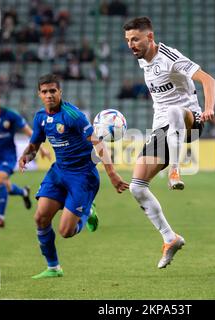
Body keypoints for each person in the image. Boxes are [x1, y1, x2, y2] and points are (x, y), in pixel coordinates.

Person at [123, 17, 215, 268]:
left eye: (135, 39)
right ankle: (170, 238)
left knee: (175, 110)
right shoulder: (143, 59)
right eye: (128, 40)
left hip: (190, 120)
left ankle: (175, 169)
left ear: (150, 37)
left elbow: (208, 80)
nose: (131, 44)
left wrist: (208, 109)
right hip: (162, 130)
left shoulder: (169, 56)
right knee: (137, 187)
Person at [18, 74, 129, 279]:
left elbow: (98, 143)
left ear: (60, 92)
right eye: (45, 91)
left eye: (53, 91)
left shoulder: (73, 116)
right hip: (58, 172)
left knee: (66, 232)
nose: (49, 95)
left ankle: (88, 211)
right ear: (39, 94)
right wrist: (27, 155)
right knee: (40, 218)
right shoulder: (40, 117)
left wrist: (112, 173)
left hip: (83, 176)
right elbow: (35, 144)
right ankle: (53, 268)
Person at [0, 87, 51, 228]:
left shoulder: (10, 115)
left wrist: (41, 147)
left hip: (9, 156)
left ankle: (0, 218)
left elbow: (28, 131)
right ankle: (24, 192)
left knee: (0, 178)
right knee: (4, 186)